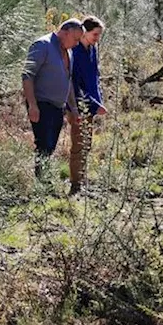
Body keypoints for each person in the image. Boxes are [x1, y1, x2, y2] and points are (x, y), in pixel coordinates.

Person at [21, 19, 84, 178]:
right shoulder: (43, 45)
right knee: (44, 144)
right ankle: (42, 183)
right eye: (76, 39)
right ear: (65, 32)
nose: (77, 44)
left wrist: (73, 108)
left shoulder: (69, 52)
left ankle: (43, 180)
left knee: (50, 146)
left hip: (58, 107)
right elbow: (27, 75)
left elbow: (67, 81)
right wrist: (32, 105)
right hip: (42, 103)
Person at [69, 16, 106, 196]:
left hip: (91, 106)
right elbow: (75, 83)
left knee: (87, 144)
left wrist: (100, 100)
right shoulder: (74, 52)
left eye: (99, 35)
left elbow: (95, 78)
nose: (97, 38)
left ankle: (82, 182)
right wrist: (93, 103)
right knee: (78, 144)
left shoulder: (92, 50)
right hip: (77, 106)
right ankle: (75, 186)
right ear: (84, 32)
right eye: (95, 34)